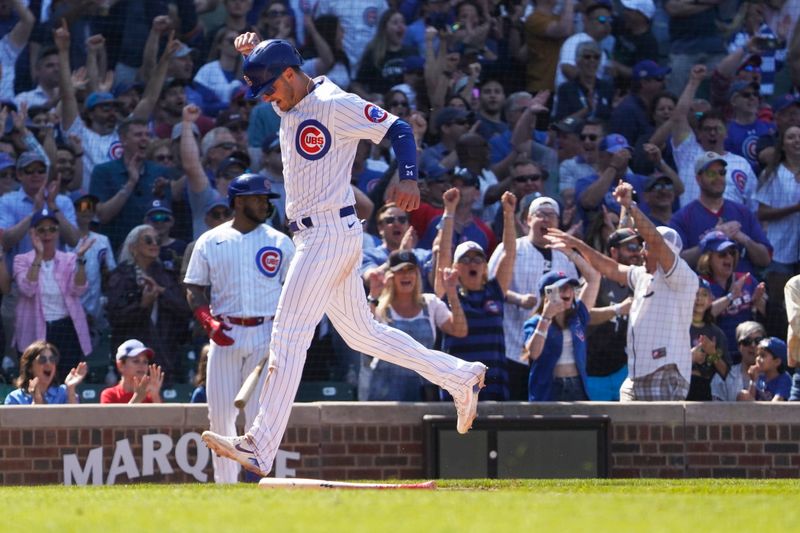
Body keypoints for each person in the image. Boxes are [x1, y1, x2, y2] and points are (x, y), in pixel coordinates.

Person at [201, 36, 488, 478]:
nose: (268, 98)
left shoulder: (335, 103)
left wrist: (409, 178)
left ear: (291, 75)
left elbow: (400, 129)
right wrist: (256, 55)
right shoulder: (291, 95)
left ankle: (260, 444)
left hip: (328, 235)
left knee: (289, 335)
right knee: (363, 335)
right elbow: (276, 74)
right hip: (318, 235)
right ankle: (459, 375)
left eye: (271, 87)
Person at [184, 173, 295, 484]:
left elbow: (294, 290)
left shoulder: (279, 241)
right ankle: (226, 486)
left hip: (266, 332)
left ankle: (256, 482)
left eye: (266, 199)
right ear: (239, 200)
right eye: (259, 198)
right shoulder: (211, 240)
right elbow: (193, 286)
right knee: (220, 417)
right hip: (226, 333)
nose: (265, 204)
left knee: (260, 417)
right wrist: (207, 321)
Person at [547, 182, 698, 401]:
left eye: (645, 246)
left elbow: (655, 239)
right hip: (636, 374)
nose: (641, 252)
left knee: (657, 435)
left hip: (665, 370)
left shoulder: (682, 276)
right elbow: (611, 267)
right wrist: (576, 245)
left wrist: (631, 207)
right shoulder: (642, 275)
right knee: (624, 431)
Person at [488, 196, 577, 400]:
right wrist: (517, 298)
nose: (546, 220)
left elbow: (574, 296)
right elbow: (490, 289)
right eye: (540, 215)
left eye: (551, 216)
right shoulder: (511, 249)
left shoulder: (564, 256)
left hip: (551, 350)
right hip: (513, 343)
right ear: (528, 220)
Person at [365, 250, 467, 401]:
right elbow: (365, 336)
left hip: (423, 393)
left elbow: (459, 330)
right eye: (400, 271)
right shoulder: (379, 307)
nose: (406, 275)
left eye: (410, 270)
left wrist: (452, 294)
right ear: (390, 276)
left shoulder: (431, 304)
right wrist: (373, 295)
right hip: (385, 393)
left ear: (417, 273)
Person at [13, 209, 93, 379]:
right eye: (41, 230)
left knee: (66, 378)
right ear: (32, 233)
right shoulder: (21, 260)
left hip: (66, 329)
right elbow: (27, 289)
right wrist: (39, 256)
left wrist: (80, 259)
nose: (47, 234)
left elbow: (78, 289)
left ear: (58, 232)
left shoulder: (70, 259)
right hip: (34, 329)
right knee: (33, 379)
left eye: (52, 229)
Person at [105, 225, 191, 383]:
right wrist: (142, 306)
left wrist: (162, 292)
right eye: (148, 240)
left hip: (165, 353)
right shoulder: (120, 276)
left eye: (157, 240)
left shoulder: (166, 275)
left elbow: (184, 309)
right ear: (133, 247)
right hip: (132, 356)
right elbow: (115, 317)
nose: (154, 244)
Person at [669, 152, 772, 276]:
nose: (718, 178)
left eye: (722, 173)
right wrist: (710, 240)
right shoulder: (683, 217)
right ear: (698, 179)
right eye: (711, 173)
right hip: (703, 291)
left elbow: (765, 259)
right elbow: (674, 262)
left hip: (744, 288)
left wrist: (743, 239)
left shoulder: (743, 212)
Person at [522, 255, 600, 402]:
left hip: (577, 386)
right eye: (561, 288)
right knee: (551, 426)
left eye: (569, 287)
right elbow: (533, 353)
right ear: (548, 295)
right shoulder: (534, 322)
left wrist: (570, 251)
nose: (568, 292)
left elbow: (594, 277)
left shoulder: (578, 317)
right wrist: (546, 317)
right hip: (549, 389)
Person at [584, 228, 640, 401]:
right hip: (592, 372)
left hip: (623, 371)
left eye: (639, 247)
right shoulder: (596, 280)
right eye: (630, 247)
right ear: (614, 252)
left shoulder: (640, 283)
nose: (636, 253)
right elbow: (580, 316)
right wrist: (617, 309)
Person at [696, 231, 766, 362]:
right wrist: (731, 296)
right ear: (708, 258)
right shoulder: (700, 284)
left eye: (732, 253)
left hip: (749, 353)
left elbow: (770, 315)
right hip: (716, 356)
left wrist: (757, 302)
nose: (729, 258)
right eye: (722, 254)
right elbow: (702, 316)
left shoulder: (747, 279)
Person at [687, 277, 731, 401]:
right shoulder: (676, 327)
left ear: (711, 300)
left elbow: (725, 373)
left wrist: (712, 353)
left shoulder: (716, 333)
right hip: (677, 386)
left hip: (704, 390)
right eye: (695, 293)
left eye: (704, 294)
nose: (699, 299)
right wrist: (690, 357)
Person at [3, 340, 87, 405]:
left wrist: (71, 388)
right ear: (29, 367)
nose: (48, 363)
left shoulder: (64, 392)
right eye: (42, 360)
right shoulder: (14, 398)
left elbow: (74, 423)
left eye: (52, 359)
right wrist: (36, 401)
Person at [711, 320, 765, 401]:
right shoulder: (721, 379)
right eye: (747, 342)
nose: (753, 345)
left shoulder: (774, 376)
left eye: (758, 341)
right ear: (739, 347)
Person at [100, 339, 164, 404]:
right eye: (136, 361)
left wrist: (155, 395)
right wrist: (137, 398)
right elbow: (117, 415)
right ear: (120, 365)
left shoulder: (151, 396)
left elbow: (162, 414)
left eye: (145, 362)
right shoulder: (110, 395)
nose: (142, 366)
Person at [739, 337, 791, 402]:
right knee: (743, 395)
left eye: (762, 356)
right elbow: (749, 401)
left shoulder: (784, 378)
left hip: (776, 411)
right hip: (758, 411)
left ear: (777, 361)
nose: (757, 359)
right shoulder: (760, 376)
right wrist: (753, 381)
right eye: (757, 355)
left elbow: (776, 404)